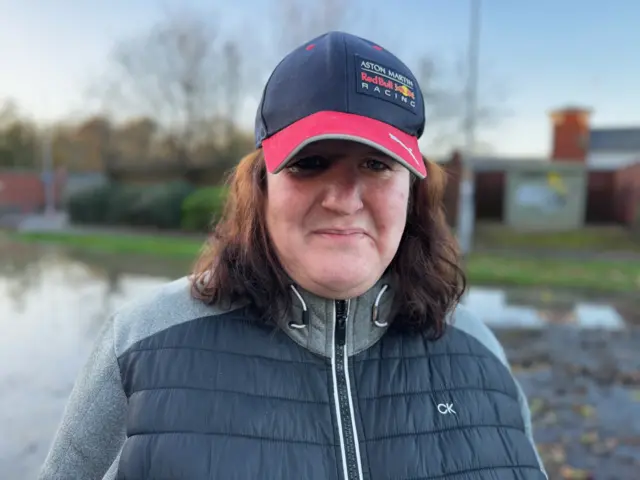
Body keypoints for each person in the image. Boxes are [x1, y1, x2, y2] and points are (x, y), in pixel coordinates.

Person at [39, 31, 547, 479]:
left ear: (413, 189)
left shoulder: (480, 349)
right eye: (311, 163)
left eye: (376, 163)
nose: (343, 199)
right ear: (261, 187)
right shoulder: (140, 344)